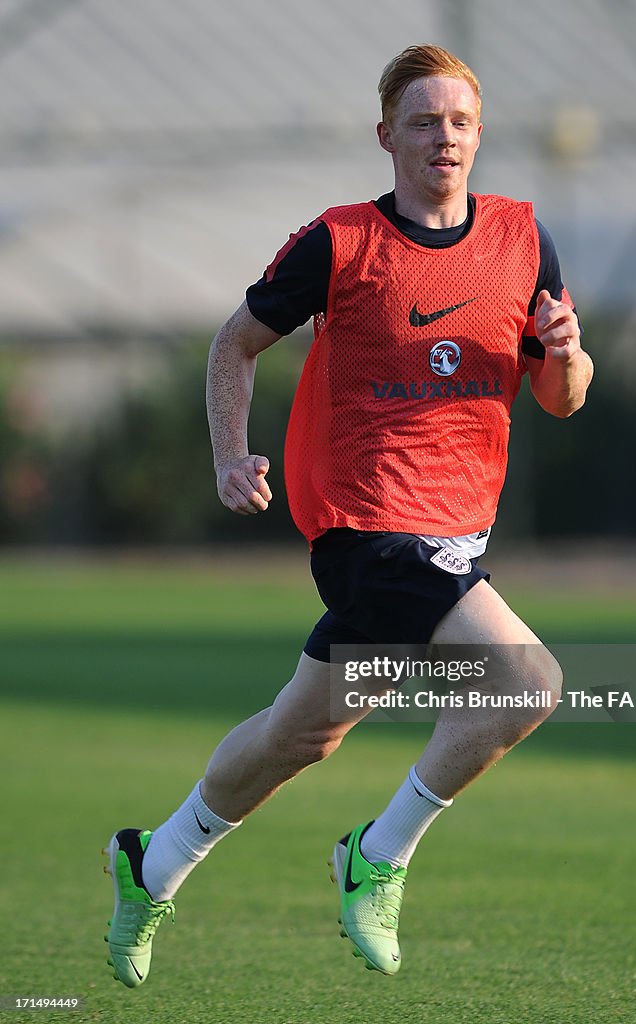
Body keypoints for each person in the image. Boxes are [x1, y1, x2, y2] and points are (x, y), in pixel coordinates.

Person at [103, 43, 593, 986]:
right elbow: (234, 343)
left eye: (458, 122)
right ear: (387, 137)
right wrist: (226, 454)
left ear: (479, 136)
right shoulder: (342, 242)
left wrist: (568, 353)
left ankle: (151, 861)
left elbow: (563, 397)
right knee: (526, 683)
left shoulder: (525, 240)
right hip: (364, 527)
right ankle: (380, 853)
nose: (443, 137)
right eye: (422, 121)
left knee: (302, 733)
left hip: (455, 534)